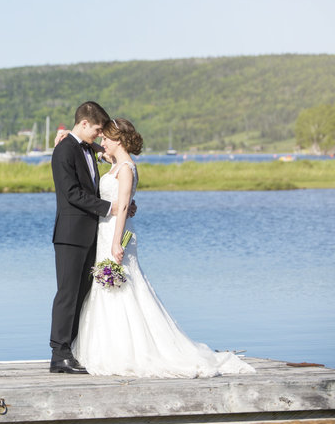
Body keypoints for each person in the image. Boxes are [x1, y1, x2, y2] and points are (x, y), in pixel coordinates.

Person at [71, 118, 256, 377]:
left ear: (118, 140)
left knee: (123, 287)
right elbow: (94, 152)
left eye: (106, 138)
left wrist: (116, 241)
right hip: (105, 231)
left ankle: (132, 350)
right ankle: (109, 347)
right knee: (107, 288)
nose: (102, 142)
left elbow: (123, 206)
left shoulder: (125, 168)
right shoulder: (114, 164)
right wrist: (66, 140)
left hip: (117, 233)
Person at [49, 101, 115, 374]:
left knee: (83, 294)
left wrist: (102, 149)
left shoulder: (85, 148)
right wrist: (109, 208)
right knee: (67, 294)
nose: (100, 135)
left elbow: (98, 159)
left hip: (89, 234)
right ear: (84, 123)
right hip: (70, 235)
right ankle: (59, 354)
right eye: (97, 129)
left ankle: (72, 349)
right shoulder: (64, 150)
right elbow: (72, 193)